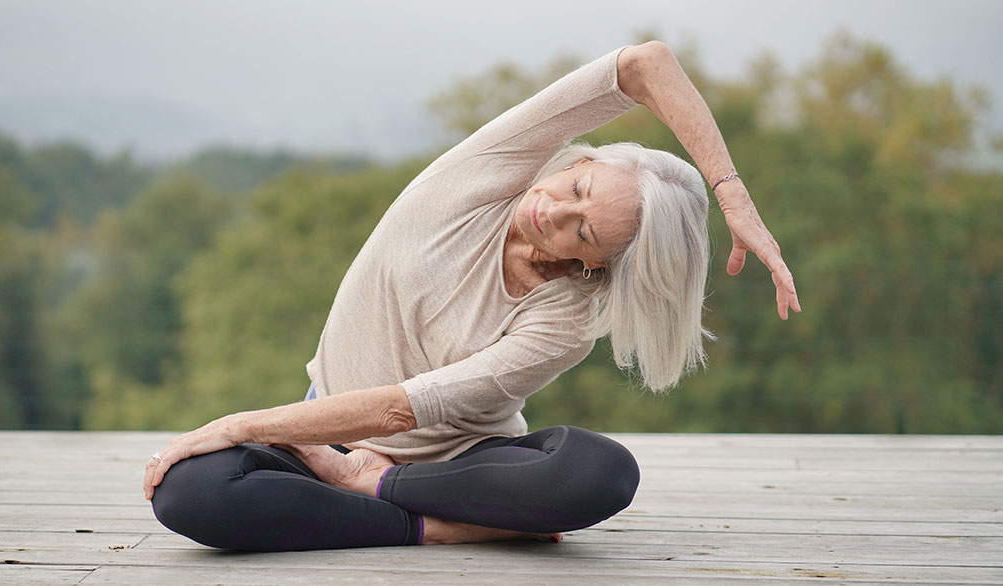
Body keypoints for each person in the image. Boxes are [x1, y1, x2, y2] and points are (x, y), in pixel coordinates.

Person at [143, 41, 801, 552]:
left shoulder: (569, 318)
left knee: (599, 475)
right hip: (330, 437)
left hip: (458, 469)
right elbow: (645, 64)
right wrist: (731, 192)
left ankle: (386, 499)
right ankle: (440, 530)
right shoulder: (487, 173)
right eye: (574, 190)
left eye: (584, 230)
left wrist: (258, 434)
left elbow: (405, 411)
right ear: (576, 165)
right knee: (189, 493)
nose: (554, 213)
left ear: (602, 262)